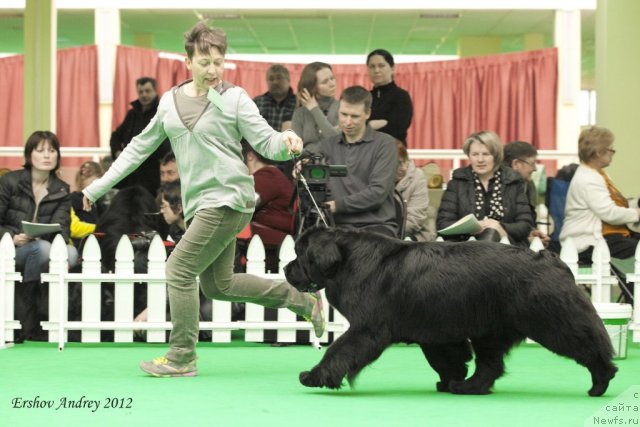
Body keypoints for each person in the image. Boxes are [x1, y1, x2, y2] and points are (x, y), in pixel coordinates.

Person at [82, 22, 324, 377]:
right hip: (200, 203)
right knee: (219, 285)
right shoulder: (169, 102)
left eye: (219, 61)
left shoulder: (235, 98)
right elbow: (137, 149)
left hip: (230, 198)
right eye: (205, 62)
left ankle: (182, 355)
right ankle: (303, 301)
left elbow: (266, 141)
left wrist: (287, 139)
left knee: (178, 269)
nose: (213, 70)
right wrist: (98, 186)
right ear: (188, 61)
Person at [0, 130, 78, 342]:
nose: (47, 156)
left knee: (70, 253)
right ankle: (32, 314)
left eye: (52, 151)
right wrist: (12, 236)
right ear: (29, 155)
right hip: (10, 248)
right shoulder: (10, 182)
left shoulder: (62, 189)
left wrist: (38, 234)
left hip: (42, 245)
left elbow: (63, 229)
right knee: (41, 251)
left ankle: (33, 313)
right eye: (40, 150)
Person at [301, 85, 399, 238]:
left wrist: (336, 206)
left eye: (354, 116)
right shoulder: (327, 145)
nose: (347, 122)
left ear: (368, 114)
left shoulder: (385, 144)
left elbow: (378, 192)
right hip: (335, 226)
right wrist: (301, 167)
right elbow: (310, 177)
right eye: (343, 114)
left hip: (376, 226)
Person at [436, 130, 535, 245]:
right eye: (475, 154)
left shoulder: (513, 181)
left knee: (491, 233)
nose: (480, 160)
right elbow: (443, 224)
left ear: (496, 156)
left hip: (506, 249)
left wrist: (499, 227)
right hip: (464, 249)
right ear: (469, 156)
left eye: (486, 154)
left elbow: (525, 225)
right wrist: (474, 227)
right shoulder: (457, 182)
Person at [560, 126, 640, 263]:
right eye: (610, 149)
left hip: (602, 236)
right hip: (587, 243)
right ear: (598, 152)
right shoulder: (589, 179)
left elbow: (613, 204)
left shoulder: (596, 174)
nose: (613, 153)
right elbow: (609, 213)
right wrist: (637, 214)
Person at [110, 76, 171, 195]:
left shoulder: (162, 113)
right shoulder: (132, 114)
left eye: (147, 91)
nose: (144, 95)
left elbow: (166, 145)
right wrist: (117, 152)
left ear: (155, 91)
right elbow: (116, 136)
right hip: (129, 173)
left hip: (152, 175)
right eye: (141, 92)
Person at [503, 140, 550, 246]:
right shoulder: (497, 188)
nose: (535, 168)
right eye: (532, 163)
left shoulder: (529, 185)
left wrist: (531, 232)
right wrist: (526, 241)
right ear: (516, 164)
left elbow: (526, 221)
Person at [366, 49, 413, 145]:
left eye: (381, 66)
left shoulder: (401, 96)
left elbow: (397, 129)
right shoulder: (365, 98)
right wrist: (376, 124)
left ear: (392, 68)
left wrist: (368, 126)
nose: (376, 70)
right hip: (366, 154)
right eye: (372, 66)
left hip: (393, 153)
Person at [291, 62, 339, 152]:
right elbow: (295, 150)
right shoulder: (300, 113)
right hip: (307, 165)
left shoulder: (342, 108)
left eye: (332, 78)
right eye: (325, 82)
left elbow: (337, 143)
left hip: (335, 165)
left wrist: (314, 110)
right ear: (313, 87)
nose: (332, 84)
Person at [394, 140, 434, 241]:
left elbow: (416, 219)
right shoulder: (375, 179)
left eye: (405, 161)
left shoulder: (417, 177)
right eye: (398, 163)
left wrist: (386, 232)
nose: (404, 168)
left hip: (414, 237)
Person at [253, 64, 297, 132]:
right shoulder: (257, 102)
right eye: (271, 79)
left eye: (279, 78)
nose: (275, 82)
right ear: (267, 82)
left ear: (288, 80)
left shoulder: (298, 103)